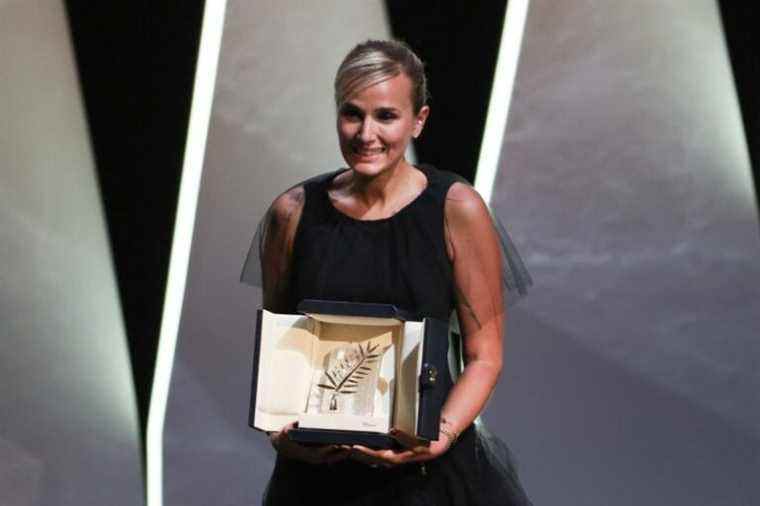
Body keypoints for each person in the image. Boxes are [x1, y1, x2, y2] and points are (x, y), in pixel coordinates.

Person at [241, 39, 533, 505]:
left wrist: (438, 437)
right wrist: (281, 435)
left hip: (425, 476)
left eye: (386, 116)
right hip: (318, 479)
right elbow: (281, 350)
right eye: (352, 113)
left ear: (419, 120)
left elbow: (485, 357)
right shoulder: (293, 212)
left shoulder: (455, 209)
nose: (365, 133)